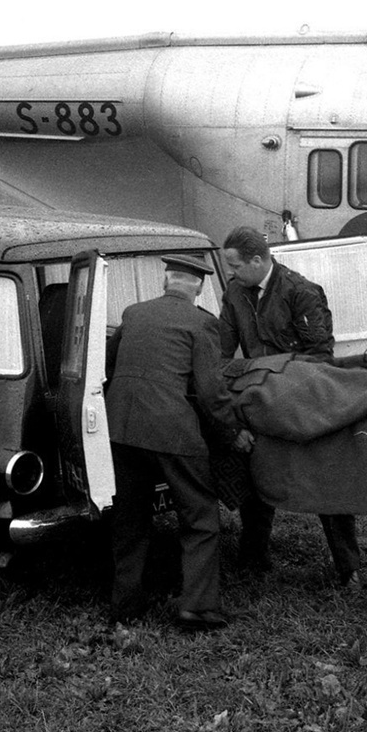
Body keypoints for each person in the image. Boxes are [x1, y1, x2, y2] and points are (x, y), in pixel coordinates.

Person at [106, 253, 253, 631]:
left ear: (165, 281)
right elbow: (210, 392)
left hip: (120, 427)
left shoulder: (133, 313)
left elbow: (111, 363)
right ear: (200, 287)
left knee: (130, 515)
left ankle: (125, 603)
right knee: (200, 515)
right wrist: (233, 431)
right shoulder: (202, 323)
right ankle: (197, 608)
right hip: (171, 429)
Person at [217, 225, 367, 588]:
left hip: (303, 401)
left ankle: (349, 569)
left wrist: (274, 376)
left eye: (234, 265)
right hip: (261, 400)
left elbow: (320, 355)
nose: (230, 273)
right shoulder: (235, 293)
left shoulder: (301, 291)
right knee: (256, 477)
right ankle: (253, 559)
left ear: (257, 260)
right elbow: (222, 349)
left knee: (325, 479)